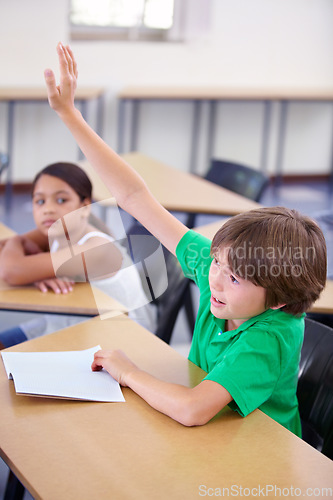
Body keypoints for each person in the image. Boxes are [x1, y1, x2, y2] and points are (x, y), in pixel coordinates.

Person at [43, 43, 327, 432]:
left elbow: (193, 410)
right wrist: (70, 115)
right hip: (212, 436)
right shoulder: (224, 274)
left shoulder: (268, 336)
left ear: (279, 300)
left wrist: (129, 372)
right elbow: (134, 198)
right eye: (218, 265)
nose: (214, 280)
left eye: (233, 277)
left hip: (258, 457)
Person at [0, 162, 156, 348]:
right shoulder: (56, 229)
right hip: (73, 323)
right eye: (40, 201)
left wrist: (18, 248)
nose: (48, 209)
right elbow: (13, 265)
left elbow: (12, 270)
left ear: (85, 206)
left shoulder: (97, 248)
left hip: (120, 342)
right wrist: (35, 275)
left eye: (61, 200)